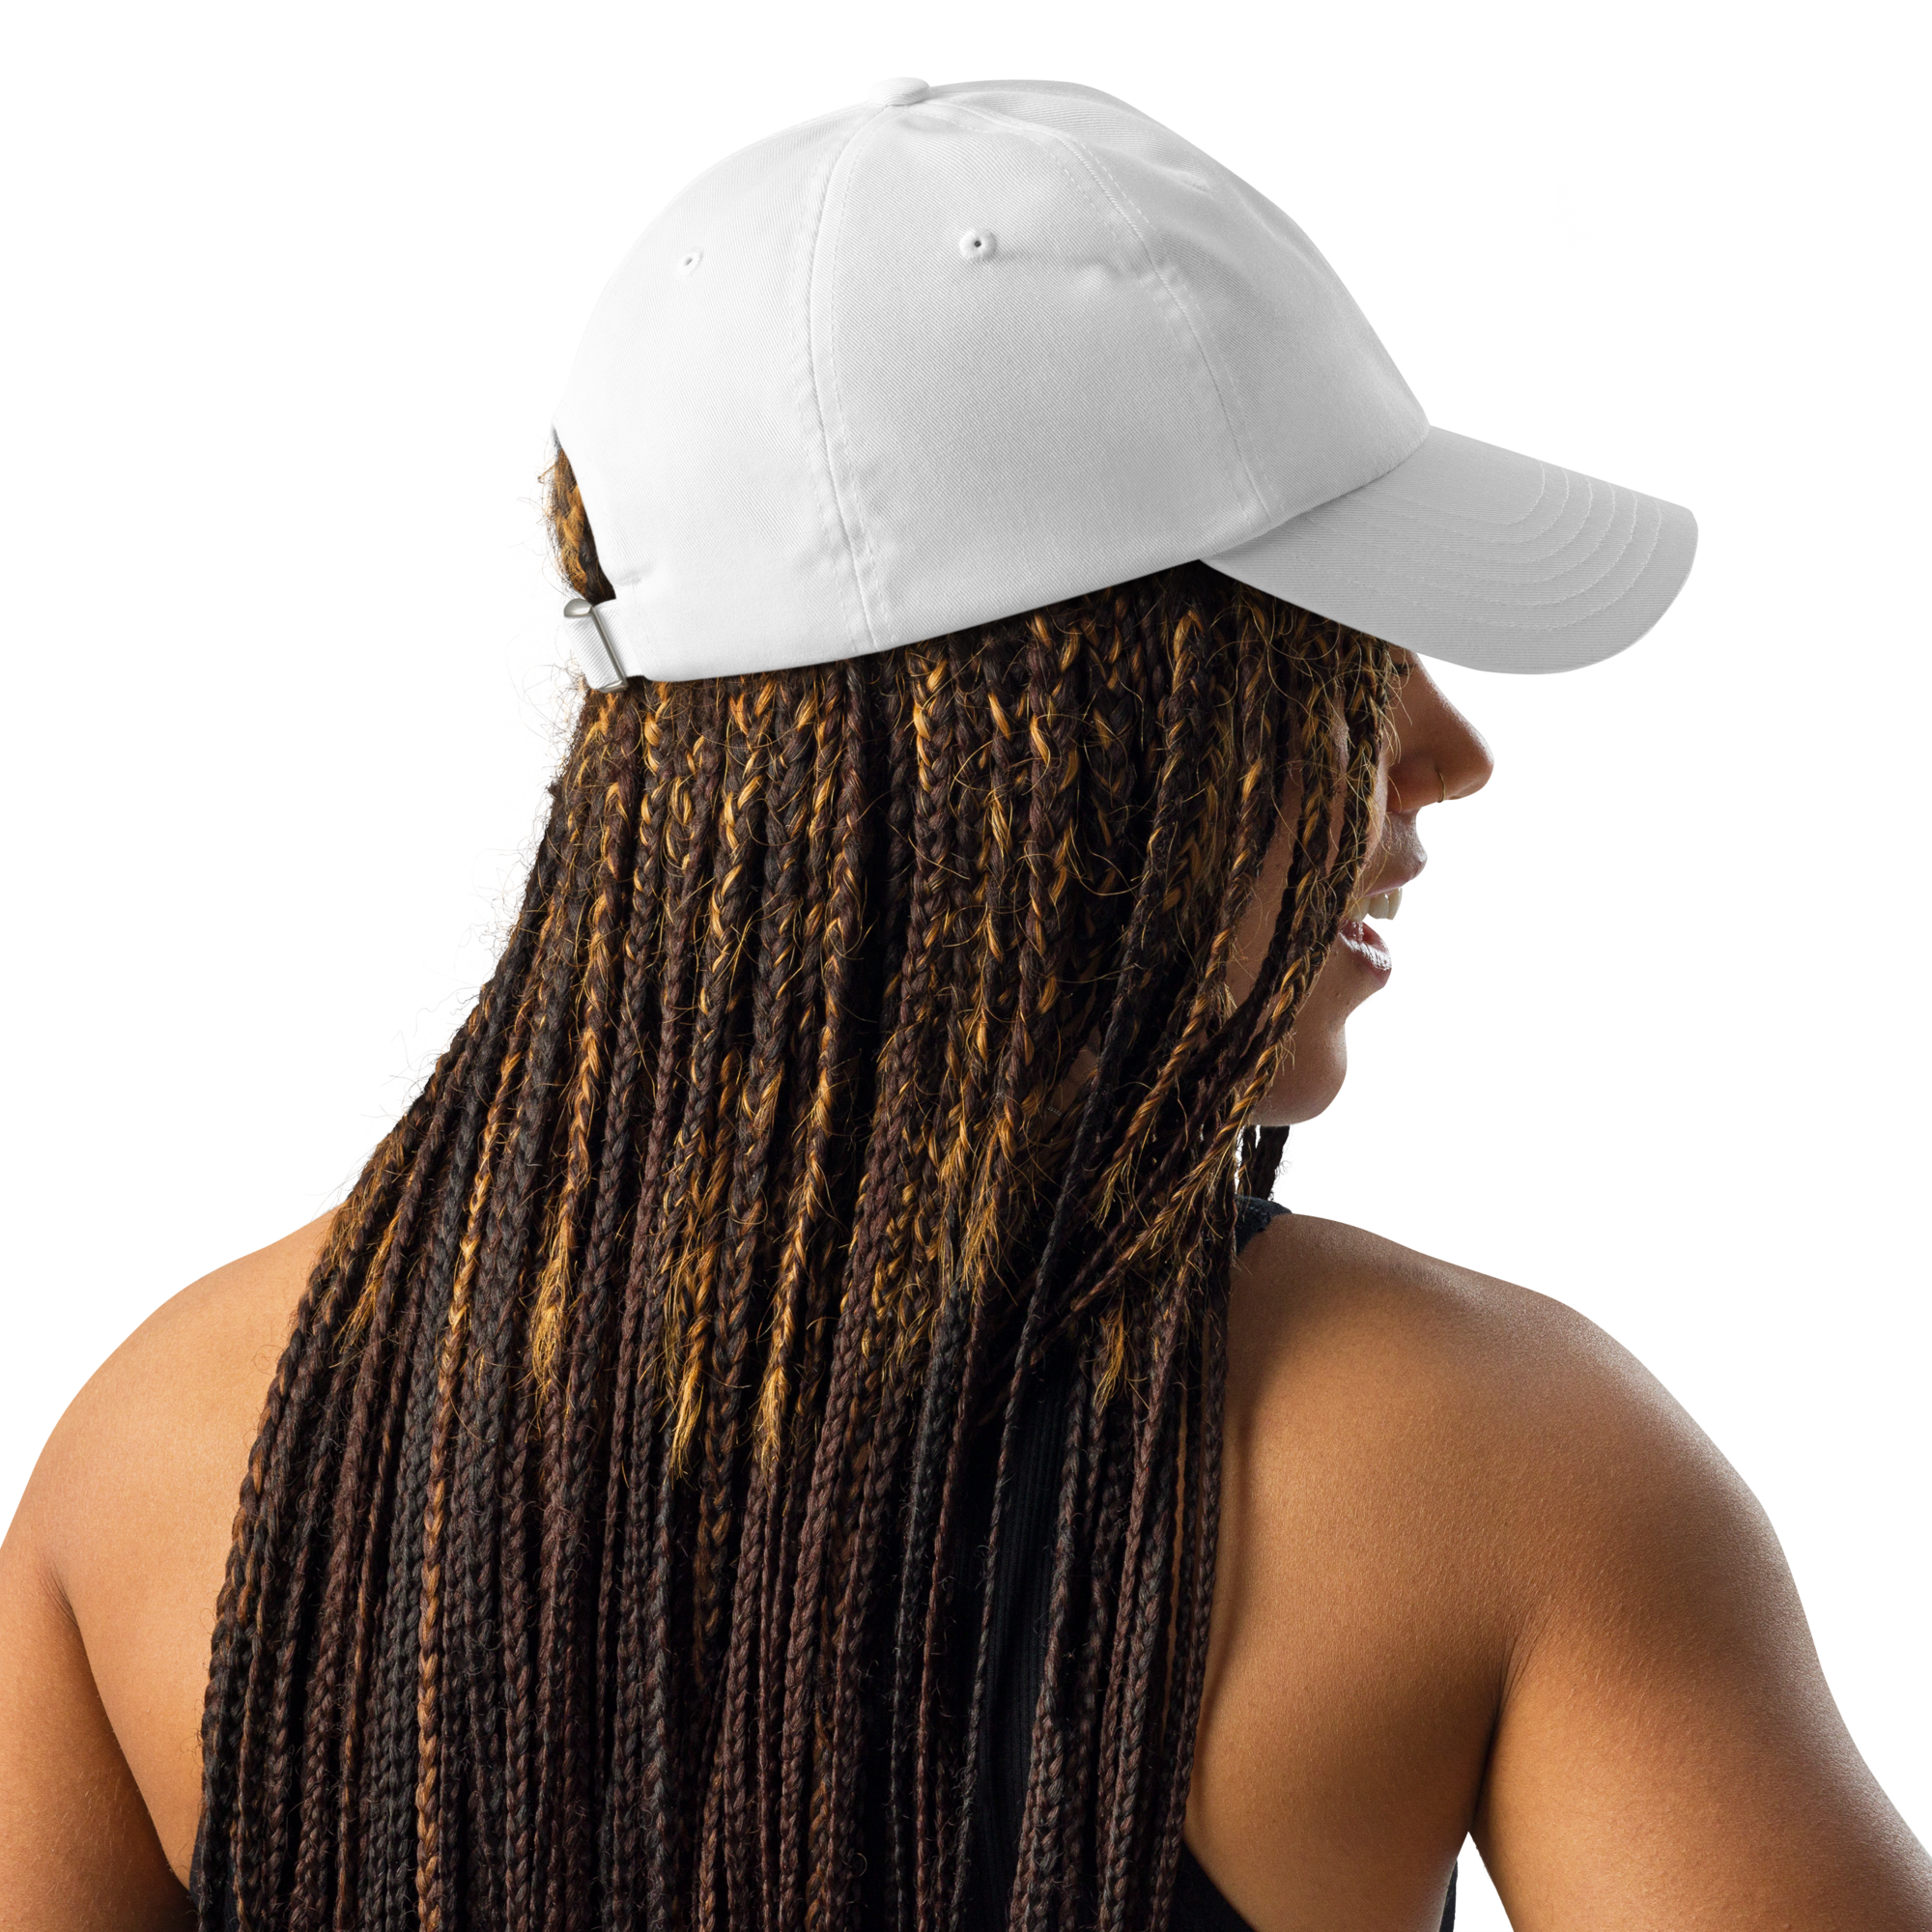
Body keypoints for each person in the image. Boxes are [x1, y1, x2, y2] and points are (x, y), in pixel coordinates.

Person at [3, 76, 1925, 1932]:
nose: (1443, 753)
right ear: (1032, 763)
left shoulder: (153, 1457)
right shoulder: (1484, 1461)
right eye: (1331, 664)